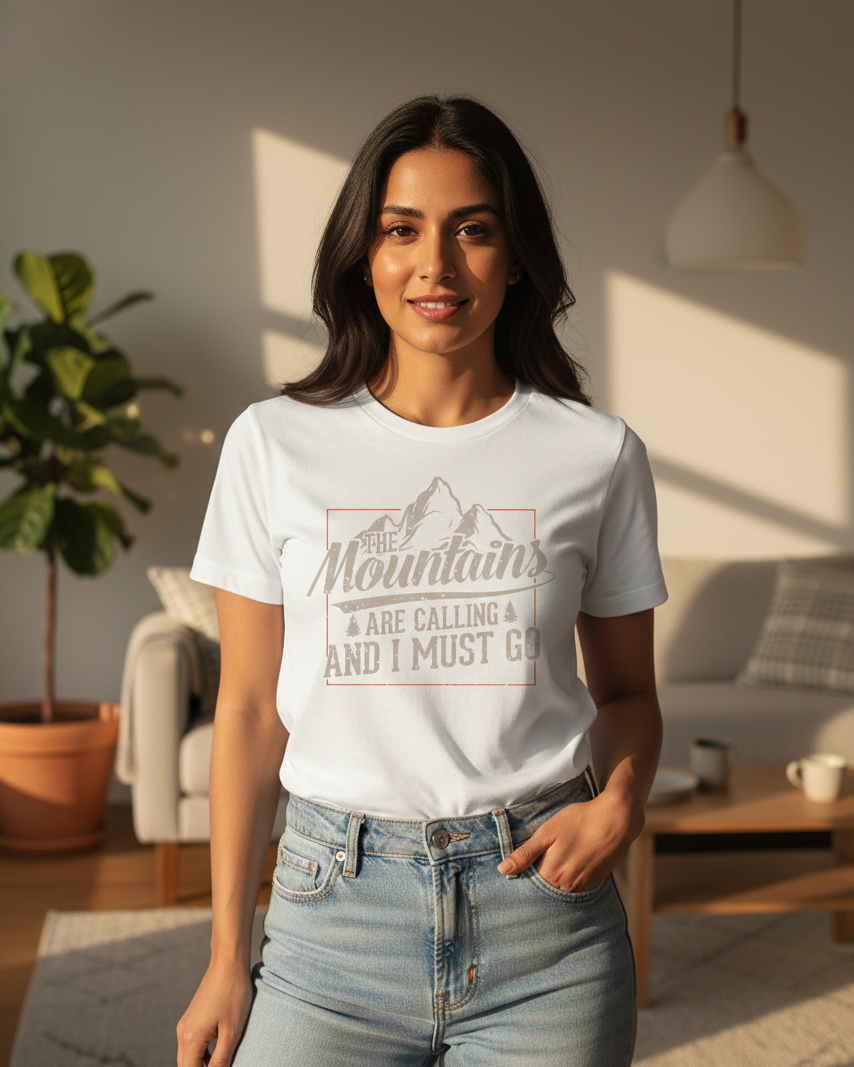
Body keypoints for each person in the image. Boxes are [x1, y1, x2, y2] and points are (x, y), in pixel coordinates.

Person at [178, 94, 667, 1067]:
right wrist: (228, 954)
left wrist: (619, 801)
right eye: (401, 230)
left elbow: (626, 693)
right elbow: (243, 712)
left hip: (545, 921)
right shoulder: (273, 444)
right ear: (364, 254)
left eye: (472, 231)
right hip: (329, 915)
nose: (434, 266)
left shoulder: (594, 454)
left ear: (515, 254)